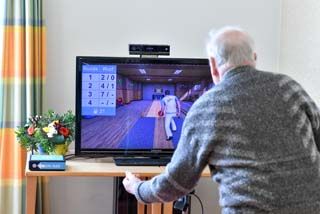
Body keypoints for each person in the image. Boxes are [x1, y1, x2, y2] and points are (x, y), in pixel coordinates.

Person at [123, 26, 320, 213]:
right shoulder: (290, 87)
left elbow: (176, 184)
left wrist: (137, 188)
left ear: (213, 65)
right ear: (255, 58)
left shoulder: (207, 106)